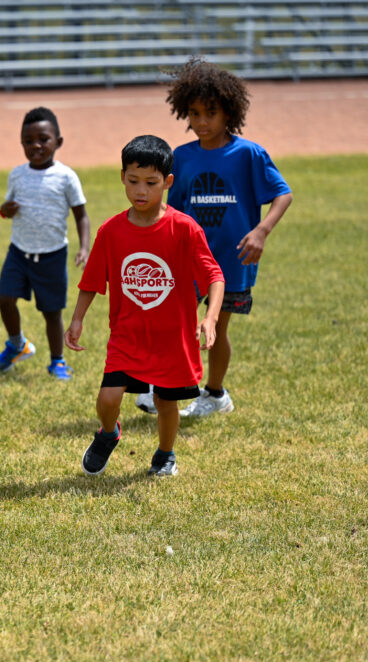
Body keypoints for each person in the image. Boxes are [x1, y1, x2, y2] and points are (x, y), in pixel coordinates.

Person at [135, 57, 293, 416]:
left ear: (229, 112)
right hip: (188, 258)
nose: (202, 122)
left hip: (233, 260)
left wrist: (261, 232)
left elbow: (283, 194)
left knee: (218, 329)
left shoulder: (249, 154)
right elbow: (170, 208)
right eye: (194, 113)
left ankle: (215, 395)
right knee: (171, 322)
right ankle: (161, 385)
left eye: (211, 113)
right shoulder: (182, 157)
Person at [65, 135, 224, 477]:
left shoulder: (184, 228)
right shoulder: (111, 231)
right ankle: (108, 434)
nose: (141, 190)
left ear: (168, 182)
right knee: (109, 398)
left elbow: (214, 276)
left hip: (172, 339)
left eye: (151, 183)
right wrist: (77, 319)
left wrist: (210, 319)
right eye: (133, 181)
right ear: (122, 176)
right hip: (128, 335)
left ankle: (165, 454)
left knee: (167, 403)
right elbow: (91, 281)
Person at [0, 107, 91, 380]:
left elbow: (81, 214)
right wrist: (5, 210)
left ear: (58, 141)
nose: (36, 145)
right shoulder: (17, 174)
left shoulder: (66, 177)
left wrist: (84, 247)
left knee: (51, 312)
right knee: (4, 298)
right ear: (21, 143)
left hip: (52, 255)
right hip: (19, 252)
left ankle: (57, 361)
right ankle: (16, 344)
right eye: (28, 140)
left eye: (43, 139)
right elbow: (6, 209)